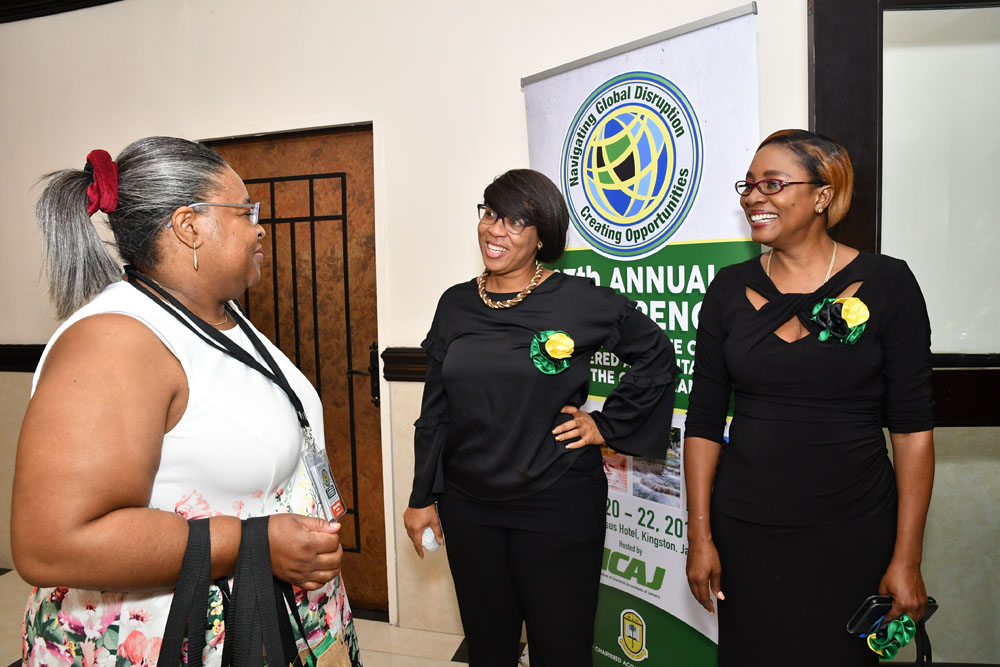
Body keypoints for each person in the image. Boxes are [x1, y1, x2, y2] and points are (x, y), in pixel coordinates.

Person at [12, 137, 362, 666]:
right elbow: (53, 543)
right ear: (188, 226)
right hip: (177, 638)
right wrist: (255, 542)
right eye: (245, 212)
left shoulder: (216, 313)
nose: (260, 227)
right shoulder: (113, 343)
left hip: (271, 614)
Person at [402, 169, 679, 667]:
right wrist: (422, 497)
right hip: (469, 505)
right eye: (490, 214)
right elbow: (435, 408)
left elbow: (656, 355)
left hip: (558, 501)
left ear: (543, 236)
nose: (495, 230)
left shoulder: (579, 301)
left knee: (561, 648)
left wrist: (605, 425)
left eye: (514, 221)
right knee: (489, 646)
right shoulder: (455, 303)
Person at [683, 129, 935, 666]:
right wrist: (699, 536)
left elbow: (912, 430)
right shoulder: (727, 288)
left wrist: (907, 558)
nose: (754, 196)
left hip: (854, 529)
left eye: (772, 184)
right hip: (745, 529)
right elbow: (703, 422)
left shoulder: (888, 283)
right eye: (748, 185)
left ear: (823, 196)